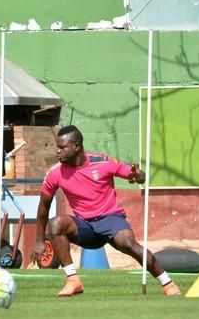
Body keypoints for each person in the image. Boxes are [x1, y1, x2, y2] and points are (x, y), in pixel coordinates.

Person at [32, 125, 181, 297]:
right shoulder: (55, 173)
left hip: (111, 219)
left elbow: (139, 175)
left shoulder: (103, 162)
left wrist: (138, 176)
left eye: (62, 147)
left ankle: (168, 284)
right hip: (85, 227)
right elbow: (43, 206)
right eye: (57, 147)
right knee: (56, 223)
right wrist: (39, 241)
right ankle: (73, 280)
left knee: (129, 245)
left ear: (77, 146)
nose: (58, 151)